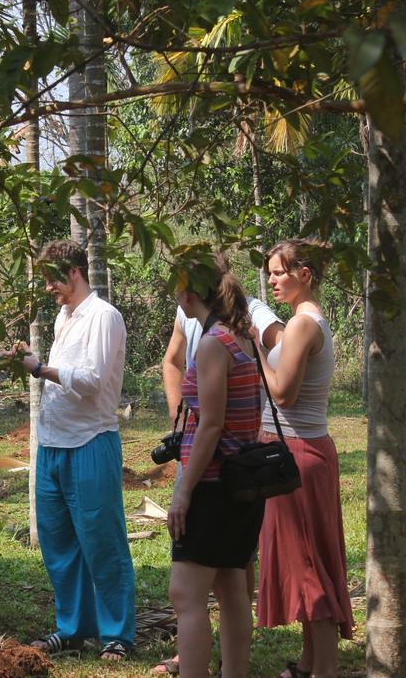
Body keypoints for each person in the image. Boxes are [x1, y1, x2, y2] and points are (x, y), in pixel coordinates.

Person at [11, 240, 136, 661]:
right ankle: (73, 627)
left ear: (74, 272)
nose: (48, 288)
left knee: (103, 541)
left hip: (90, 441)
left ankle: (117, 633)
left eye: (52, 278)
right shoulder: (66, 317)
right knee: (59, 543)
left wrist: (40, 368)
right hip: (53, 444)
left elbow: (94, 381)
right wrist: (34, 360)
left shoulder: (103, 316)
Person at [153, 289, 284, 677]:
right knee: (230, 587)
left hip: (212, 484)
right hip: (240, 483)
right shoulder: (240, 334)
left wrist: (183, 491)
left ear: (190, 292)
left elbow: (211, 424)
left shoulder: (214, 343)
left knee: (186, 595)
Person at [255, 239, 354, 678]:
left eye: (279, 272)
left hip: (295, 454)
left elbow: (283, 393)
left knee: (306, 564)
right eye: (271, 272)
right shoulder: (305, 320)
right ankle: (311, 662)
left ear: (305, 275)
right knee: (310, 558)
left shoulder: (301, 326)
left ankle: (325, 670)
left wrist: (253, 345)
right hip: (304, 451)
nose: (272, 279)